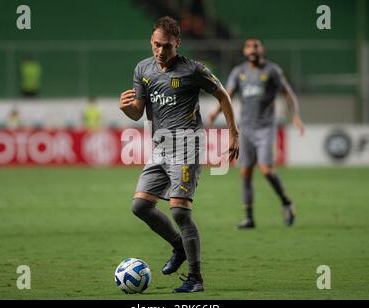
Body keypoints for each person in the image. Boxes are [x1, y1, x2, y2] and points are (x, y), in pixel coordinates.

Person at [119, 16, 239, 293]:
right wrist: (126, 109)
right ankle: (178, 246)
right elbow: (138, 111)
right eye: (157, 46)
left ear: (178, 44)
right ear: (151, 42)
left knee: (179, 211)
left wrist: (234, 133)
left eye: (167, 47)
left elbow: (223, 95)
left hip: (187, 146)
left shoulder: (193, 70)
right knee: (140, 207)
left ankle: (195, 278)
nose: (161, 52)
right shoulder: (143, 69)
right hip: (160, 147)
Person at [208, 38, 304, 229]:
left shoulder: (272, 71)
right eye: (249, 47)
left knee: (267, 170)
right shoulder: (239, 72)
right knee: (245, 172)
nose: (253, 50)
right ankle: (249, 218)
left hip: (266, 128)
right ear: (245, 51)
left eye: (256, 46)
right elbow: (227, 95)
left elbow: (288, 93)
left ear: (262, 50)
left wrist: (296, 116)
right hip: (246, 129)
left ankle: (286, 202)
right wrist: (215, 112)